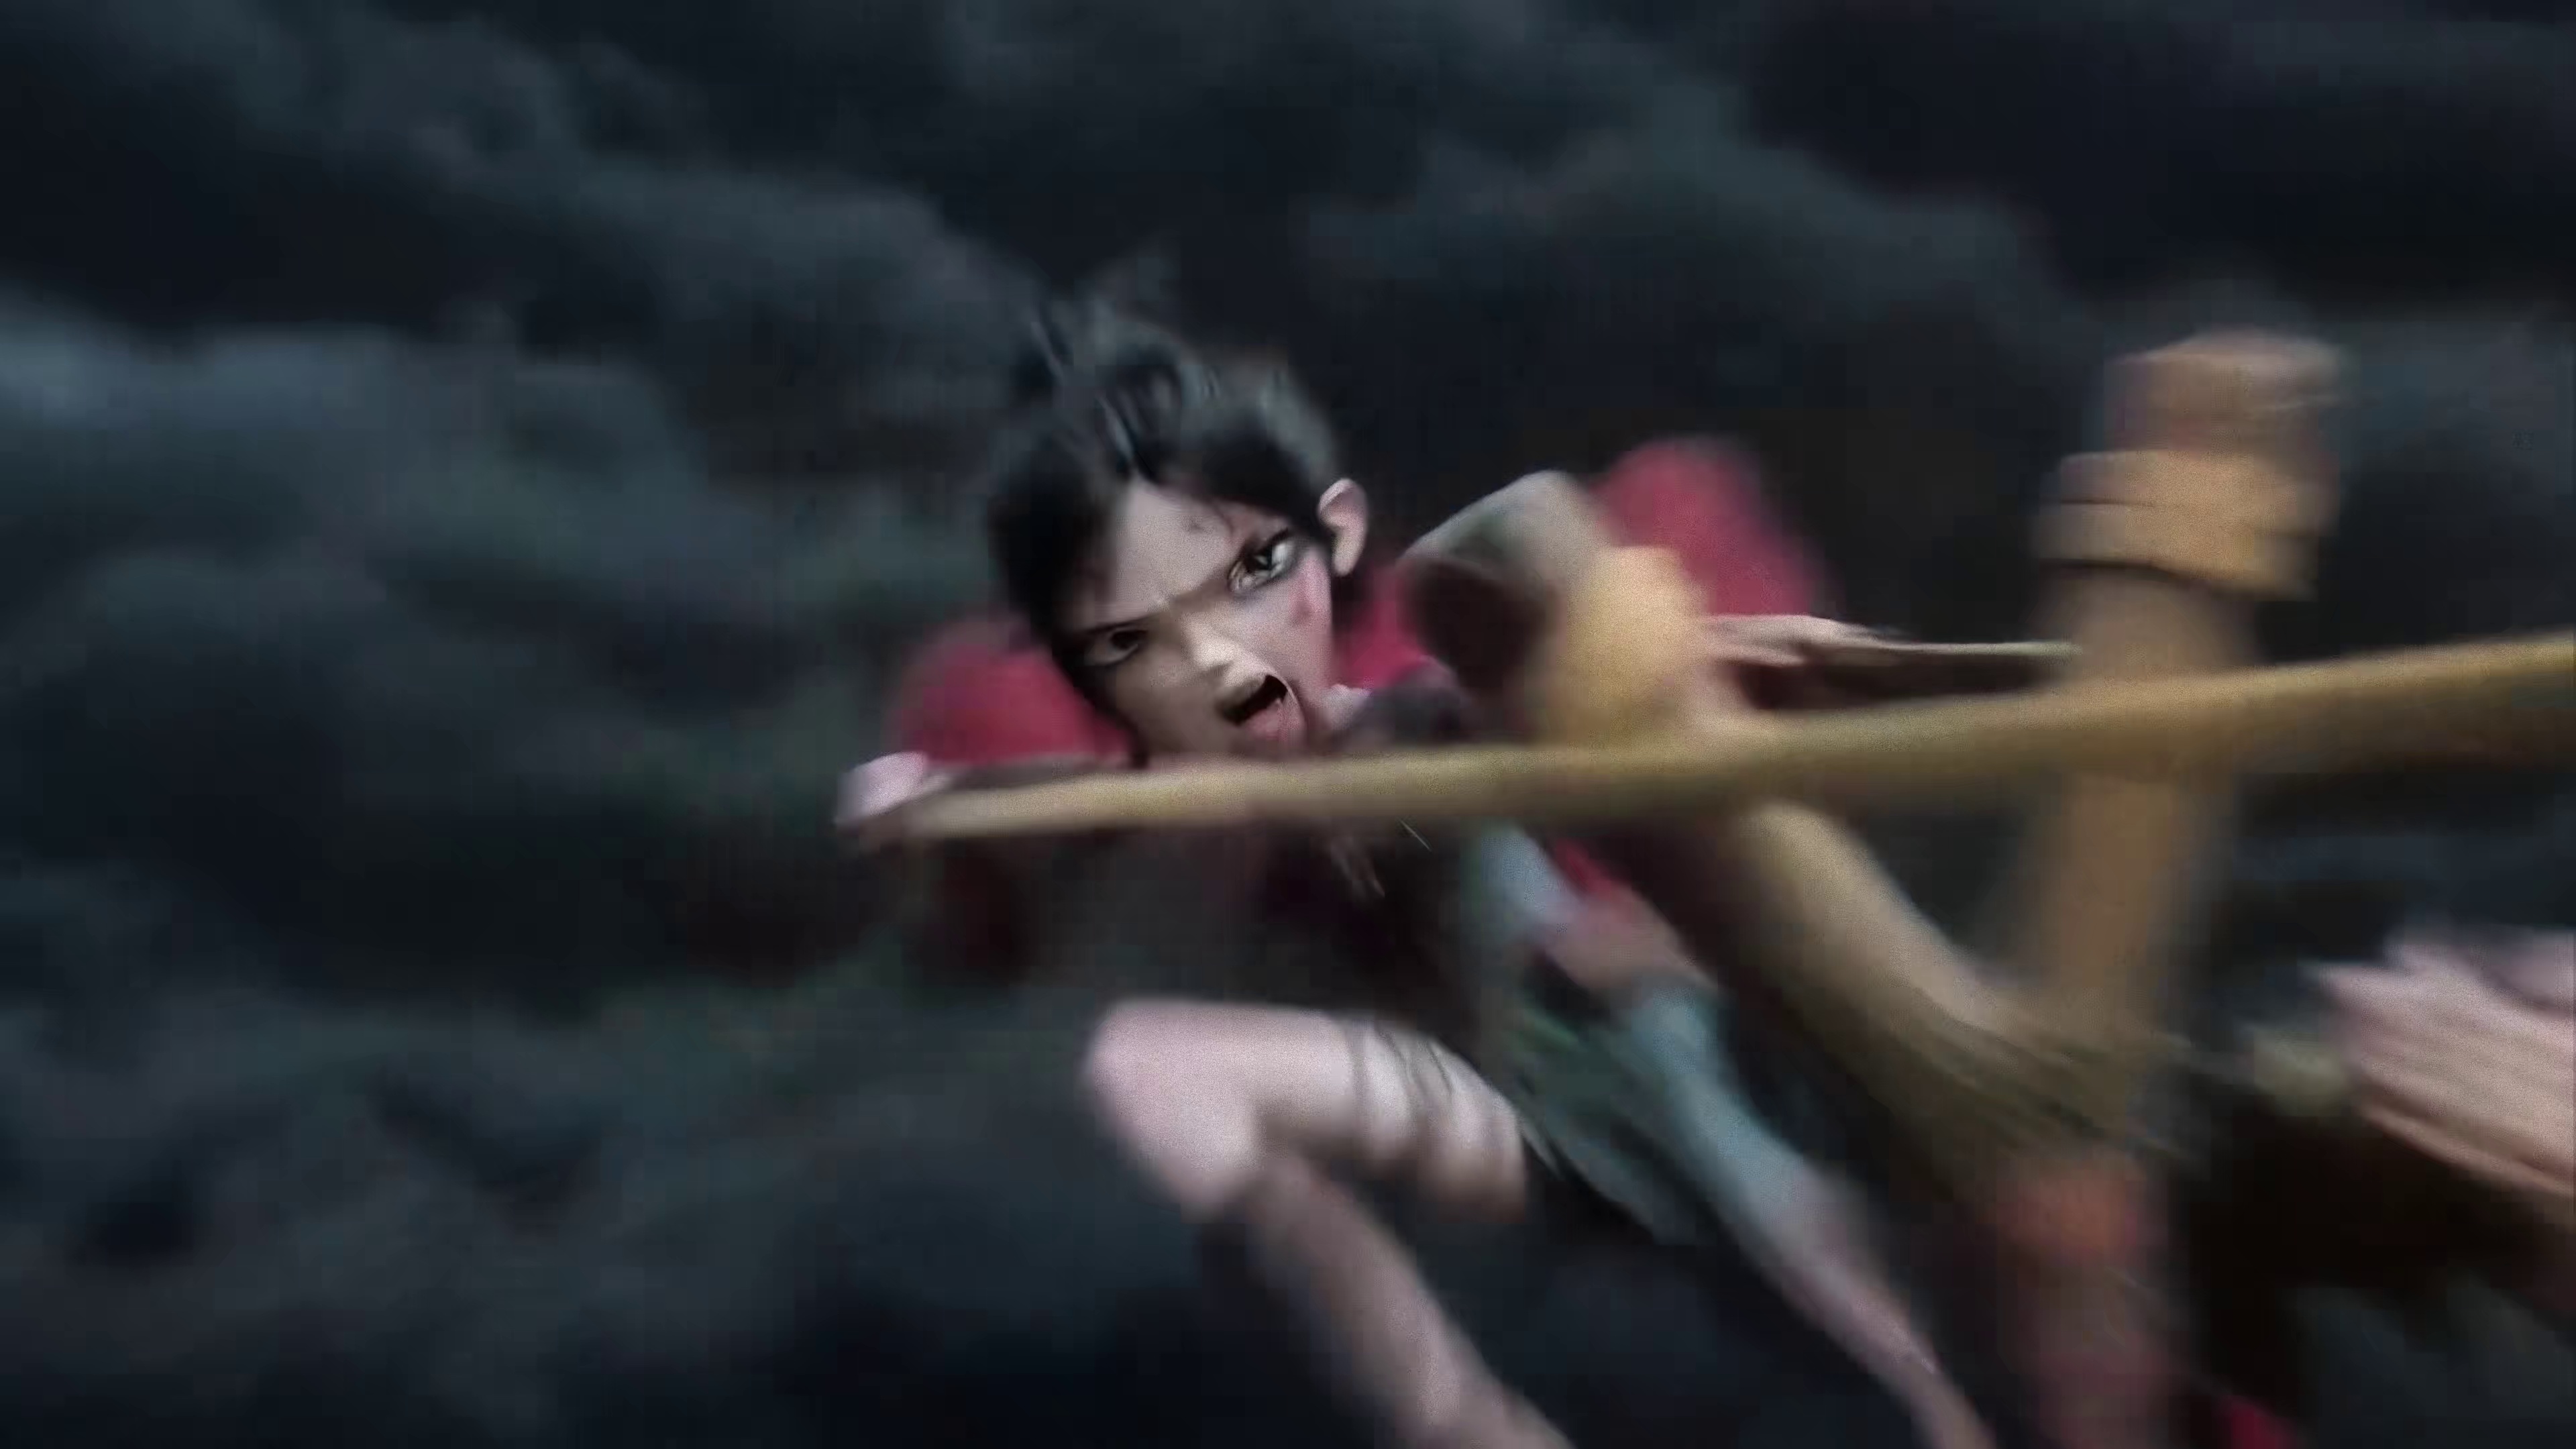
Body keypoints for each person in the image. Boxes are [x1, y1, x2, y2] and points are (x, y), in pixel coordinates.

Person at [839, 304, 1991, 1449]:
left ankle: (1938, 1408)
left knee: (1698, 1095)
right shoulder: (1185, 794)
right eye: (1131, 643)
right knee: (1149, 1069)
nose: (1218, 663)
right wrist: (936, 799)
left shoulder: (1426, 716)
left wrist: (1658, 938)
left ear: (1334, 534)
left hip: (1604, 1063)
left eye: (1251, 573)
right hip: (1477, 1108)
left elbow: (1675, 751)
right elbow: (1061, 795)